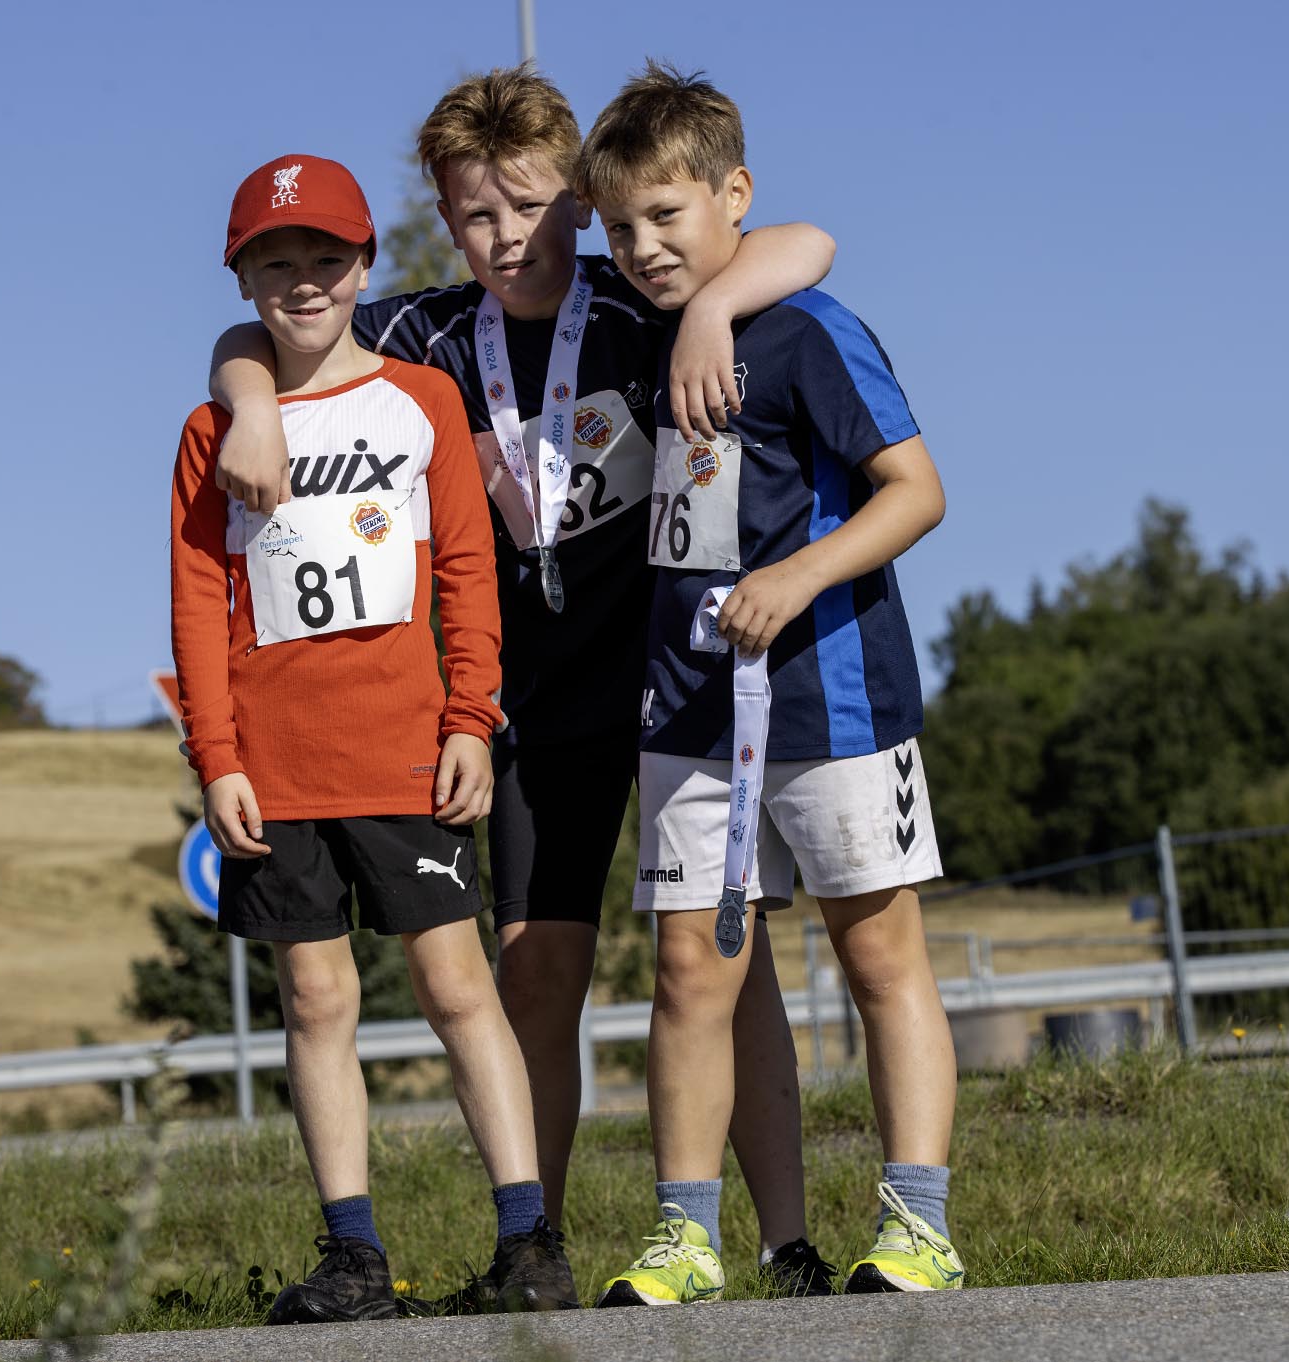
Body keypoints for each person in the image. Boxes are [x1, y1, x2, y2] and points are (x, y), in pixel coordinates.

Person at [208, 66, 842, 1297]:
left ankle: (784, 1241)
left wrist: (711, 317)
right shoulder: (424, 333)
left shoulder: (643, 301)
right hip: (516, 708)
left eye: (531, 207)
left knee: (728, 963)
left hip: (668, 686)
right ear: (442, 224)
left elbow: (806, 243)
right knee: (533, 969)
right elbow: (261, 331)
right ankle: (530, 1242)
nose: (506, 240)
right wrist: (245, 402)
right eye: (472, 216)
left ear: (581, 200)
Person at [577, 63, 962, 1305]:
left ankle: (917, 1224)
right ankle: (685, 1236)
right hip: (685, 712)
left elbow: (918, 492)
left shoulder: (809, 331)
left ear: (731, 198)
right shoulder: (628, 333)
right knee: (691, 971)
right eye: (621, 225)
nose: (641, 248)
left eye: (667, 218)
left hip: (834, 704)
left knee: (877, 958)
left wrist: (795, 580)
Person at [170, 152, 577, 1323]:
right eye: (274, 262)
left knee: (458, 987)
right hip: (275, 765)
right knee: (314, 999)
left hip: (405, 748)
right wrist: (219, 757)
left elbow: (465, 569)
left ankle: (526, 1238)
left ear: (365, 267)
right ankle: (353, 1256)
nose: (302, 283)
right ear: (242, 279)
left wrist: (469, 717)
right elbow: (200, 601)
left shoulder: (421, 402)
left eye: (325, 260)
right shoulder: (212, 432)